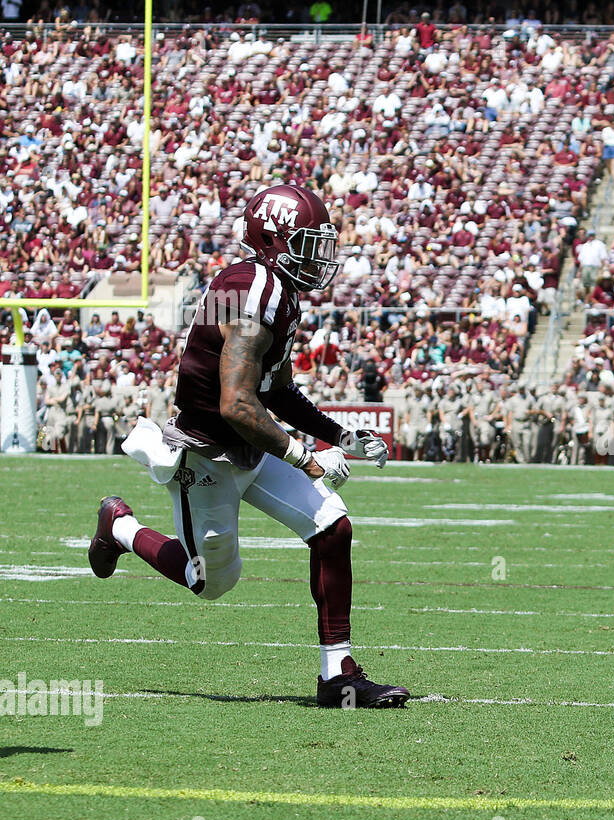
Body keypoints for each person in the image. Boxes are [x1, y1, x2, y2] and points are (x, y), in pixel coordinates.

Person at [87, 185, 409, 709]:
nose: (317, 258)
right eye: (306, 244)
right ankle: (120, 527)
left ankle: (338, 675)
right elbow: (238, 404)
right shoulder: (255, 290)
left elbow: (274, 390)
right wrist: (305, 458)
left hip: (251, 446)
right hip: (210, 452)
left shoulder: (275, 290)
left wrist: (339, 434)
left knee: (331, 524)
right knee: (211, 582)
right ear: (272, 241)